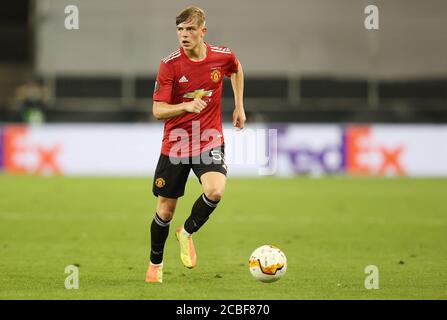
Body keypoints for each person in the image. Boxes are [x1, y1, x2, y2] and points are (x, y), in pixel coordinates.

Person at [145, 6, 246, 283]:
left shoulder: (221, 56)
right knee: (165, 210)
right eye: (180, 30)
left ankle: (187, 232)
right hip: (176, 144)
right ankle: (155, 264)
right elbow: (158, 110)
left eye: (190, 29)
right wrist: (186, 106)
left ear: (203, 31)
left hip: (208, 138)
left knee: (215, 191)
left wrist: (238, 106)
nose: (184, 35)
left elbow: (236, 68)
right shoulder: (170, 64)